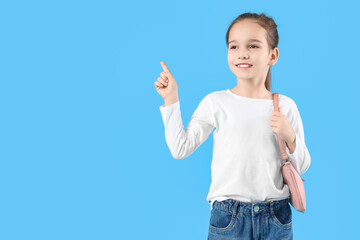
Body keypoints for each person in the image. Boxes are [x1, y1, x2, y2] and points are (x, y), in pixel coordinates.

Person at [154, 12, 311, 240]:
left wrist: (290, 137)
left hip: (276, 217)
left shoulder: (286, 106)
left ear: (273, 55)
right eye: (234, 46)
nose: (242, 53)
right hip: (228, 218)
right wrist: (171, 99)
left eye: (253, 46)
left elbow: (303, 166)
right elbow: (180, 148)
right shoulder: (216, 103)